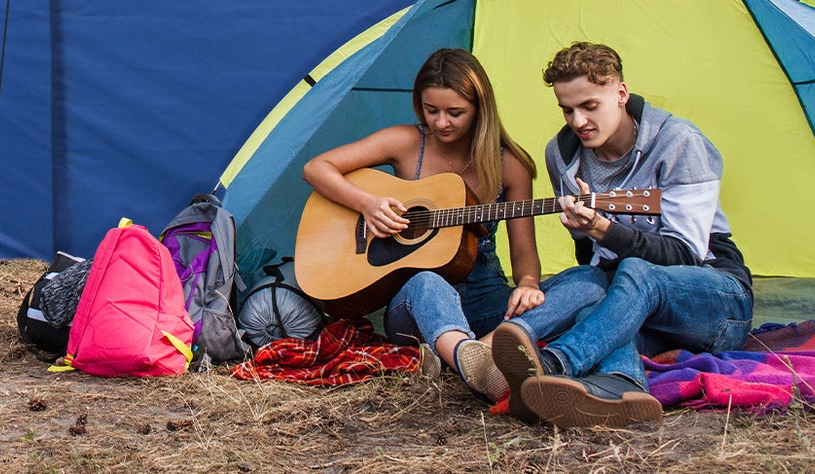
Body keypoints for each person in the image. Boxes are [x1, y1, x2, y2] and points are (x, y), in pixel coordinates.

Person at [490, 42, 753, 429]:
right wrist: (585, 234)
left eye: (589, 106)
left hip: (717, 298)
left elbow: (684, 256)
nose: (578, 121)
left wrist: (602, 228)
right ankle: (623, 387)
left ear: (621, 94)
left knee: (634, 271)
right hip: (644, 312)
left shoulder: (680, 142)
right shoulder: (562, 154)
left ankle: (554, 363)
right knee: (591, 297)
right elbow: (595, 262)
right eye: (567, 109)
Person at [302, 47, 543, 402]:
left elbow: (525, 253)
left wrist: (528, 284)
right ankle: (470, 358)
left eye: (455, 113)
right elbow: (317, 168)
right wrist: (367, 204)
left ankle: (466, 353)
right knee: (427, 282)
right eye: (432, 111)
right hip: (415, 302)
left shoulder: (509, 165)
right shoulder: (406, 142)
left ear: (480, 109)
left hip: (483, 295)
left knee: (586, 284)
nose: (441, 122)